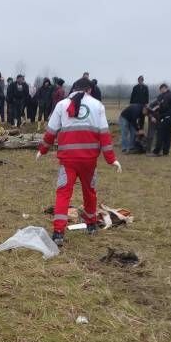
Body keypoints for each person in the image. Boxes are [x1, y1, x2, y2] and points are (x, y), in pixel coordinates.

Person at [37, 82, 121, 246]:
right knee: (90, 192)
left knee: (63, 194)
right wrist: (111, 159)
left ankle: (58, 233)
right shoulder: (98, 106)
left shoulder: (61, 105)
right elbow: (104, 135)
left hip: (68, 160)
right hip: (89, 160)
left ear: (73, 89)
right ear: (89, 90)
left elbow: (51, 132)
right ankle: (91, 225)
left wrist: (43, 150)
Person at [150, 83, 171, 156]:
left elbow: (164, 107)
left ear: (163, 88)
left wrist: (158, 109)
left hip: (166, 118)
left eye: (161, 90)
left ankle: (156, 152)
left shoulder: (166, 96)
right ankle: (166, 152)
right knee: (168, 135)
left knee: (160, 134)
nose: (160, 92)